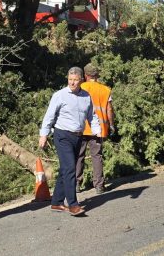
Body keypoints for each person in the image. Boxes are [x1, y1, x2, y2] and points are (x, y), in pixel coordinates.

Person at [39, 67, 101, 216]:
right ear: (67, 80)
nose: (72, 83)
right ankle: (73, 204)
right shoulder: (59, 95)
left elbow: (91, 116)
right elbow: (49, 116)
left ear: (81, 80)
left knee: (67, 169)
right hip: (62, 135)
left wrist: (97, 130)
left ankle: (57, 202)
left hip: (78, 136)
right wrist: (44, 134)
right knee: (70, 169)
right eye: (70, 80)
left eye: (75, 80)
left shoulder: (86, 96)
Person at [76, 63, 114, 195]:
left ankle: (76, 184)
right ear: (96, 75)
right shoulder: (105, 89)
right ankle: (99, 186)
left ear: (85, 76)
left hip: (81, 127)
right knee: (97, 156)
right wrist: (111, 124)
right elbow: (109, 109)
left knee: (78, 155)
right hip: (98, 129)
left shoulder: (80, 87)